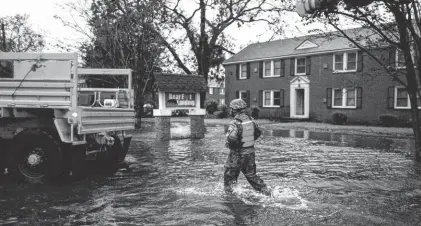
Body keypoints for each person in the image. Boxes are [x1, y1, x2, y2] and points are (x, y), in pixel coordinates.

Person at [224, 99, 271, 196]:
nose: (230, 110)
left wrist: (235, 146)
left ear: (234, 109)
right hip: (250, 152)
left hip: (237, 154)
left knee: (229, 176)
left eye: (231, 109)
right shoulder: (251, 120)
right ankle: (265, 191)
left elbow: (232, 138)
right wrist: (247, 142)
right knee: (251, 176)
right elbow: (258, 132)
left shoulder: (235, 123)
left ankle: (230, 197)